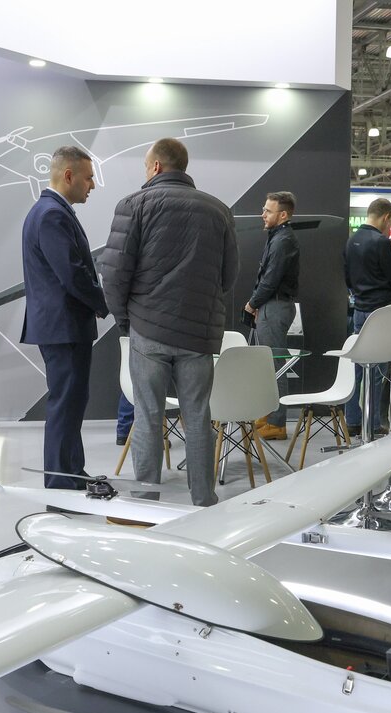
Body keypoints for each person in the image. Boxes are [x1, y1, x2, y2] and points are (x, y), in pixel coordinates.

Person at [99, 137, 238, 507]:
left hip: (149, 330)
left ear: (157, 166)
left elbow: (113, 274)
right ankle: (204, 499)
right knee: (199, 417)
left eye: (146, 166)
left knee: (148, 417)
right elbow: (228, 276)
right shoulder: (219, 210)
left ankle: (146, 503)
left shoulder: (133, 205)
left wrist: (126, 320)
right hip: (198, 334)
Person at [20, 146, 108, 489]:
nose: (93, 185)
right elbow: (72, 274)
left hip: (63, 327)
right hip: (64, 327)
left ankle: (72, 472)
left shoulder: (51, 211)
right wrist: (104, 302)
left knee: (71, 403)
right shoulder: (51, 215)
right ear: (68, 176)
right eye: (88, 178)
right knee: (65, 404)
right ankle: (60, 482)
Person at [343, 197, 391, 436]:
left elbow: (347, 278)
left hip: (359, 310)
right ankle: (373, 423)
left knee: (357, 369)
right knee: (377, 371)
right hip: (381, 313)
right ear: (386, 217)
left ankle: (352, 420)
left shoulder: (351, 241)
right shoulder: (381, 242)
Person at [245, 191, 300, 441]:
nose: (263, 214)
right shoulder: (278, 237)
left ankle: (277, 423)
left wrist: (252, 304)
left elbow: (270, 279)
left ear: (283, 215)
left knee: (275, 365)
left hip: (275, 306)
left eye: (268, 211)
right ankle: (268, 416)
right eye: (264, 209)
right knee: (268, 365)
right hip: (271, 305)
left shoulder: (283, 240)